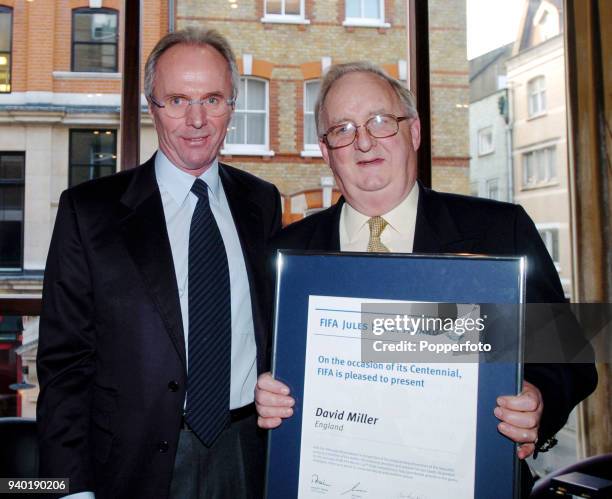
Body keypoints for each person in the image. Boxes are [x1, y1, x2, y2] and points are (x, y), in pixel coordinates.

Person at [254, 61, 597, 494]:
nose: (363, 142)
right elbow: (269, 368)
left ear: (413, 132)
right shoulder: (286, 255)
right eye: (342, 129)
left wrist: (538, 401)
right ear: (326, 151)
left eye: (380, 122)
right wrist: (266, 394)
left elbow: (573, 357)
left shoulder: (499, 231)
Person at [36, 27, 281, 499]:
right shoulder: (89, 212)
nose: (196, 119)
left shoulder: (262, 202)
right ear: (152, 106)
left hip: (248, 453)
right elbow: (65, 365)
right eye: (177, 100)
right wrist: (68, 488)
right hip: (132, 465)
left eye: (212, 99)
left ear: (232, 104)